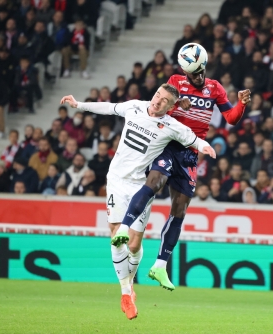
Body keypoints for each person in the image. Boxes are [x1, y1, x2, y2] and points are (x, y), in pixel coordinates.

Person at [60, 83, 216, 320]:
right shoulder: (134, 107)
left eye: (164, 101)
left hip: (140, 187)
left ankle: (129, 283)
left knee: (133, 245)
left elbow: (194, 140)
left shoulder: (172, 126)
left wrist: (207, 147)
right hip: (115, 180)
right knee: (115, 236)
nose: (157, 101)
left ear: (171, 106)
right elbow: (109, 108)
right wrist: (78, 104)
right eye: (157, 96)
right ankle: (126, 292)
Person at [114, 43, 251, 292]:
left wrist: (241, 104)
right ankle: (124, 226)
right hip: (169, 143)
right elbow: (161, 106)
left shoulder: (215, 88)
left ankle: (160, 265)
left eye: (201, 72)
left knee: (179, 209)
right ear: (185, 72)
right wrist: (179, 105)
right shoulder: (175, 81)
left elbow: (231, 119)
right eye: (194, 74)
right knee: (153, 184)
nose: (198, 78)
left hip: (190, 153)